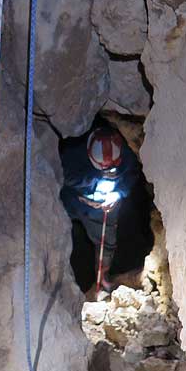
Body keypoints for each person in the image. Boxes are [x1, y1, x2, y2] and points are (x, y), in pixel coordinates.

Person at [60, 125, 144, 299]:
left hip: (101, 210)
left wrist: (118, 193)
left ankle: (103, 279)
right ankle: (57, 279)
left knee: (106, 243)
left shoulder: (125, 153)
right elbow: (63, 175)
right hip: (72, 201)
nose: (108, 171)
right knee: (56, 234)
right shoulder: (73, 152)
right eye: (102, 168)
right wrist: (94, 181)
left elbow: (132, 173)